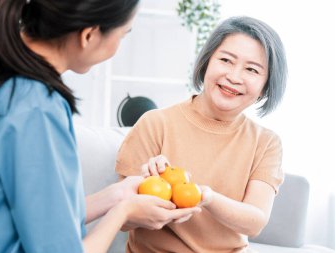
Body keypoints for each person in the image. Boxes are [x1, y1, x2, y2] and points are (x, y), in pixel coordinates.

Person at [0, 1, 202, 253]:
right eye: (122, 35)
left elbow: (38, 219)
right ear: (89, 35)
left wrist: (118, 195)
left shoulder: (3, 88)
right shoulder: (37, 109)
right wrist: (124, 212)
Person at [116, 16, 288, 253]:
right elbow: (122, 219)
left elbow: (255, 221)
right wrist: (151, 190)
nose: (234, 77)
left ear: (265, 87)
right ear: (207, 62)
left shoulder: (266, 143)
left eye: (251, 69)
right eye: (226, 60)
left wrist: (206, 197)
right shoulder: (155, 123)